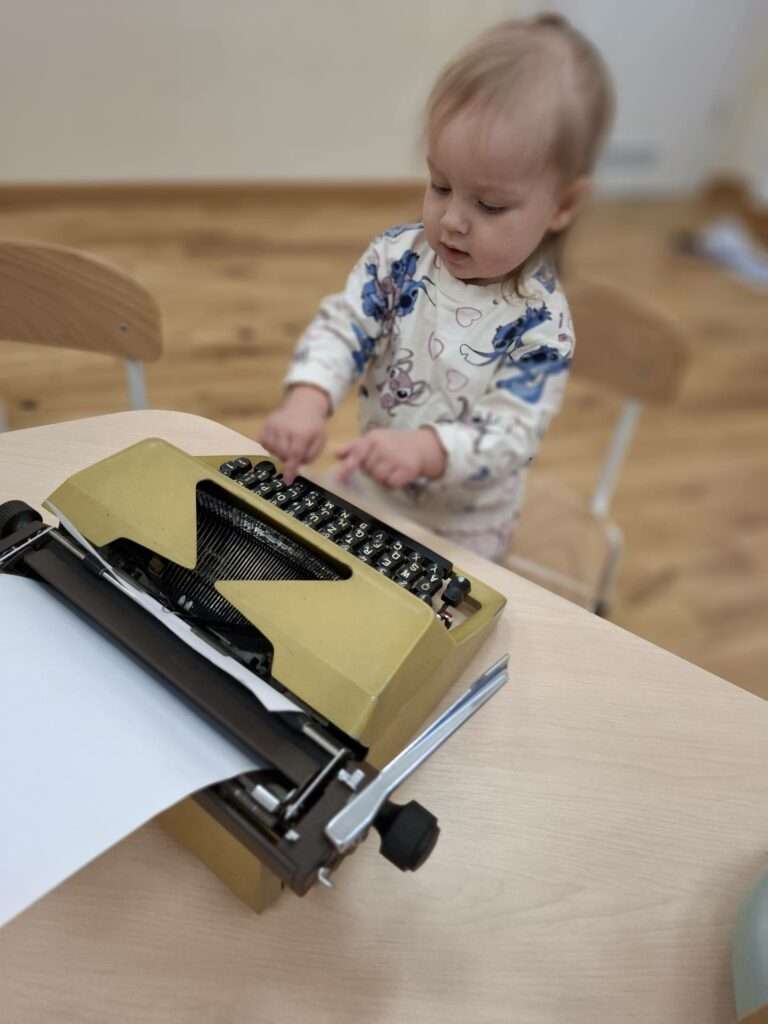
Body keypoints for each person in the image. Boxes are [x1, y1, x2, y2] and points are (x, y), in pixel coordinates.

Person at [259, 13, 614, 561]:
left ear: (563, 205)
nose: (452, 220)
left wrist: (428, 450)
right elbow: (344, 326)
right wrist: (308, 398)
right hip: (367, 488)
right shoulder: (398, 259)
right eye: (440, 185)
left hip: (464, 533)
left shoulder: (542, 323)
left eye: (489, 205)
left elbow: (511, 433)